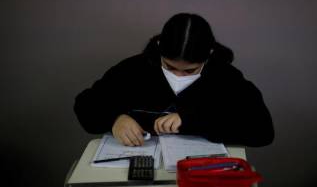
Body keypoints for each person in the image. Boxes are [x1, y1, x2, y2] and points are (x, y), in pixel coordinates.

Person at [74, 13, 274, 147]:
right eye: (169, 67)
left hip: (200, 173)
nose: (178, 76)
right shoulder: (132, 70)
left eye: (189, 71)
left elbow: (262, 132)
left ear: (209, 53)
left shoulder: (225, 78)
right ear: (159, 46)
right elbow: (85, 105)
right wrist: (114, 119)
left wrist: (191, 120)